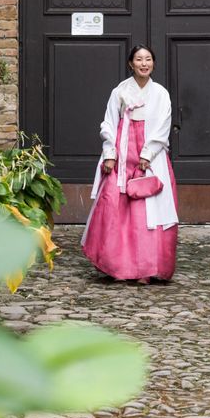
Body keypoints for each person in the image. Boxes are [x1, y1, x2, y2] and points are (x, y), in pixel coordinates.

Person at [81, 44, 179, 284]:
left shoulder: (161, 93)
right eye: (138, 59)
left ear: (153, 63)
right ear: (130, 64)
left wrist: (148, 154)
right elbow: (109, 123)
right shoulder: (120, 91)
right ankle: (118, 266)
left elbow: (163, 126)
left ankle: (147, 269)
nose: (143, 63)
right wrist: (109, 152)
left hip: (150, 154)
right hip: (123, 152)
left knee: (149, 208)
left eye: (148, 59)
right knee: (116, 205)